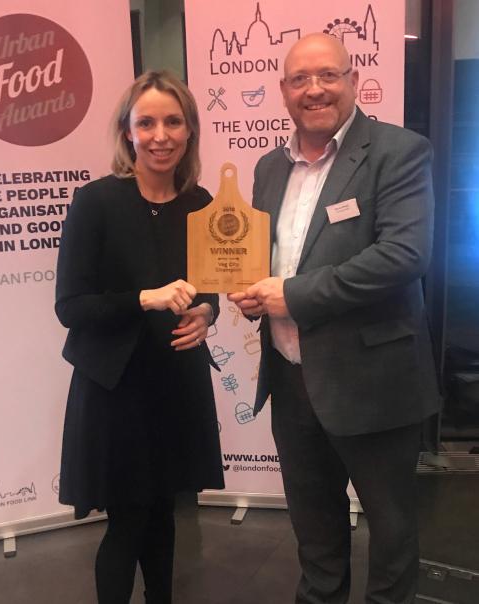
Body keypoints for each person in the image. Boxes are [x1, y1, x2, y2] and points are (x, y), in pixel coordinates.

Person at [229, 33, 441, 604]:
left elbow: (403, 255)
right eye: (300, 79)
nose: (314, 89)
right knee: (315, 529)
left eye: (328, 75)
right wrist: (254, 291)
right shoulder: (269, 168)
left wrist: (292, 295)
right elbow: (273, 259)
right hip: (292, 380)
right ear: (283, 91)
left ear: (353, 80)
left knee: (391, 530)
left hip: (374, 382)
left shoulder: (399, 151)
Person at [55, 70, 224, 604]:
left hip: (177, 383)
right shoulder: (95, 202)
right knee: (128, 520)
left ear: (190, 130)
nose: (160, 135)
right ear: (127, 132)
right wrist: (144, 298)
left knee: (165, 512)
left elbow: (209, 288)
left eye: (173, 122)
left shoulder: (202, 204)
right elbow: (70, 308)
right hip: (116, 390)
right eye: (146, 123)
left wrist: (207, 313)